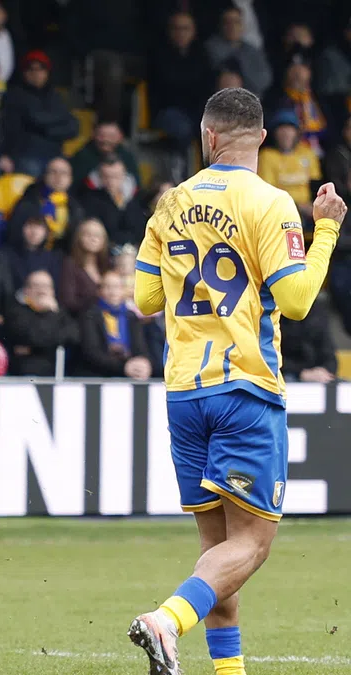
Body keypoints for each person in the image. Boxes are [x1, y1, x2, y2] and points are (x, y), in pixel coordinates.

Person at [129, 87, 346, 675]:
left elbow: (145, 298)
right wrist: (326, 231)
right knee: (252, 545)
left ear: (208, 137)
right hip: (244, 388)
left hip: (184, 392)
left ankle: (229, 671)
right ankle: (166, 621)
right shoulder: (270, 202)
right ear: (263, 139)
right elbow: (296, 301)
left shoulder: (170, 203)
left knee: (218, 552)